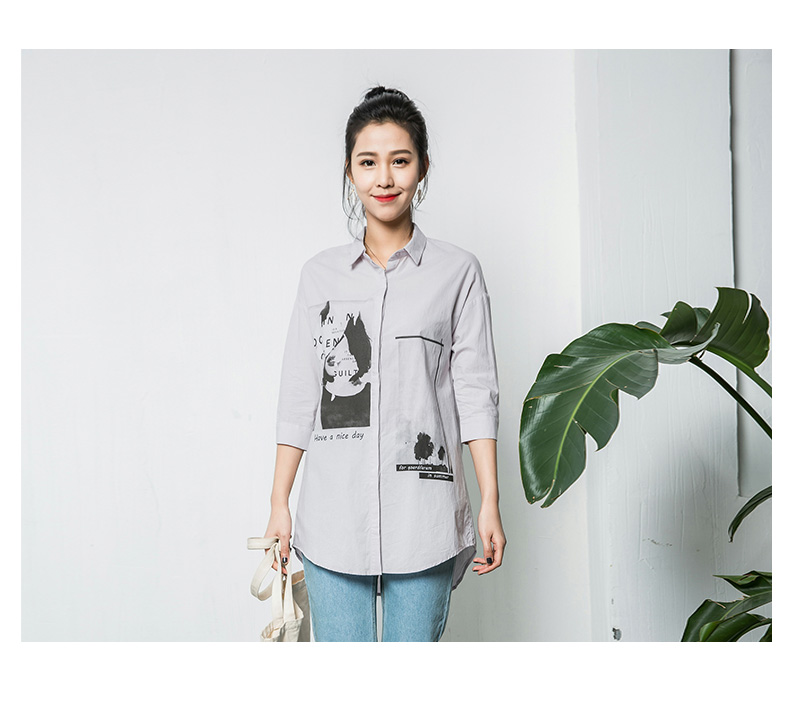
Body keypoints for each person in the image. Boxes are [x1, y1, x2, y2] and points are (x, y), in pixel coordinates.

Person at [264, 86, 505, 642]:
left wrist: (490, 501)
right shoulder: (319, 276)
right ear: (350, 172)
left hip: (425, 515)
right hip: (333, 517)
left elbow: (476, 392)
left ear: (422, 167)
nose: (385, 178)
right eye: (368, 162)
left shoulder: (458, 273)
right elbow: (301, 393)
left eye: (400, 160)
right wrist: (279, 503)